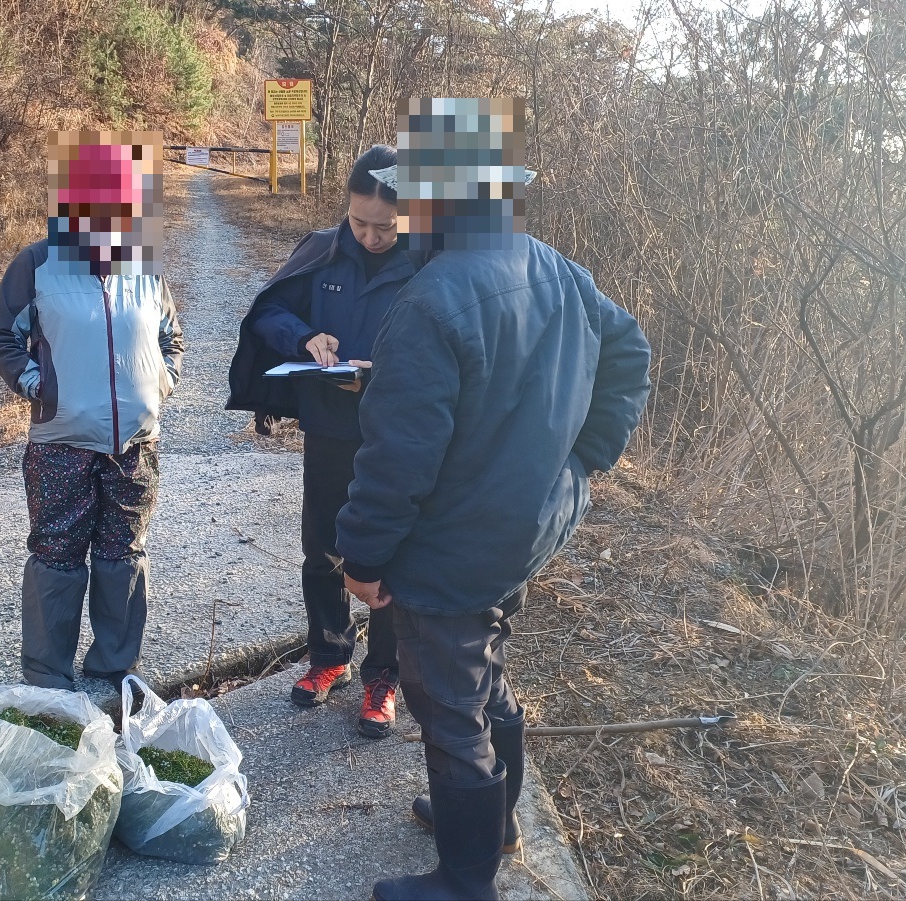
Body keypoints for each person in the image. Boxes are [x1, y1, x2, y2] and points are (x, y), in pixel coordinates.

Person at [336, 99, 651, 900]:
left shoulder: (432, 302)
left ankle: (467, 878)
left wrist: (363, 559)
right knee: (486, 665)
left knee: (447, 709)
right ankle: (499, 821)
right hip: (530, 526)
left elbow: (397, 458)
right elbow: (631, 346)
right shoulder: (555, 267)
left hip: (461, 542)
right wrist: (585, 463)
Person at [0, 130, 184, 693]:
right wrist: (36, 387)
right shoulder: (37, 265)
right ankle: (48, 681)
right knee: (56, 556)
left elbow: (172, 337)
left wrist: (161, 382)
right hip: (62, 444)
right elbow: (1, 335)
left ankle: (112, 672)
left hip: (136, 447)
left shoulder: (145, 266)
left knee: (124, 554)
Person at [226, 145, 415, 738]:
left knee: (393, 557)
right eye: (359, 221)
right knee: (323, 549)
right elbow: (268, 314)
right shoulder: (324, 251)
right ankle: (329, 655)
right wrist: (306, 338)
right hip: (330, 429)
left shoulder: (432, 265)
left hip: (399, 436)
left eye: (384, 225)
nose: (370, 235)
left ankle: (384, 675)